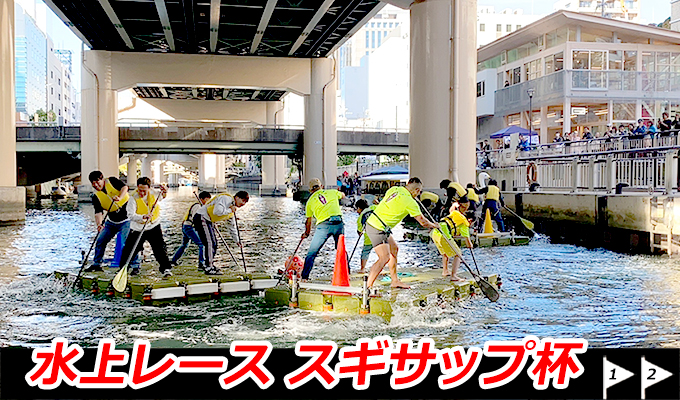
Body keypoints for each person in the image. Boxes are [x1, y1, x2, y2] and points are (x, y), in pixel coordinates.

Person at [365, 177, 439, 289]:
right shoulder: (410, 202)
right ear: (417, 191)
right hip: (377, 227)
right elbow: (423, 222)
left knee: (394, 249)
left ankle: (395, 281)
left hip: (380, 224)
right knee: (384, 257)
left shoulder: (394, 189)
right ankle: (367, 287)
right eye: (419, 192)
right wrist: (434, 225)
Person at [119, 177, 171, 277]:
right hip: (138, 228)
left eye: (144, 191)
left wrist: (165, 191)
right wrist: (143, 217)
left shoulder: (154, 193)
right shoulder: (133, 198)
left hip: (153, 226)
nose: (142, 193)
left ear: (149, 188)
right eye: (140, 190)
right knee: (130, 249)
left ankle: (166, 269)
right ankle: (123, 270)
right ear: (137, 188)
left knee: (159, 248)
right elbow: (130, 215)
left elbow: (162, 196)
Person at [193, 191, 250, 275]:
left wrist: (237, 240)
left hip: (208, 220)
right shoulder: (226, 198)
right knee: (209, 243)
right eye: (243, 200)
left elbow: (232, 227)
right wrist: (230, 210)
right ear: (237, 197)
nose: (243, 203)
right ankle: (208, 267)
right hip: (201, 217)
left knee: (215, 243)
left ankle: (210, 264)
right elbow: (217, 211)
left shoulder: (232, 210)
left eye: (245, 202)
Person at [86, 171, 132, 272]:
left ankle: (134, 265)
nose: (96, 185)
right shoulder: (95, 196)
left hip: (127, 219)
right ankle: (97, 264)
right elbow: (98, 212)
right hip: (111, 222)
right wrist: (99, 225)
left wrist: (119, 197)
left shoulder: (112, 181)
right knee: (101, 240)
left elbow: (125, 188)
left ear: (102, 179)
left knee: (126, 241)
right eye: (93, 183)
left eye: (98, 182)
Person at [301, 178, 345, 280]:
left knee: (312, 253)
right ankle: (347, 274)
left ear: (310, 190)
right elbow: (343, 195)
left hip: (324, 226)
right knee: (341, 250)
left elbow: (308, 221)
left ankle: (304, 278)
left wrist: (306, 233)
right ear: (321, 186)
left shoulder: (310, 201)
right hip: (338, 223)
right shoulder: (332, 192)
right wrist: (339, 194)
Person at [170, 191, 211, 269]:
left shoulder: (198, 206)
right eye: (207, 200)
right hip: (189, 227)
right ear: (202, 199)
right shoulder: (198, 206)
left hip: (186, 226)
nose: (208, 202)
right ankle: (201, 263)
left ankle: (173, 260)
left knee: (184, 245)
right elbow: (196, 219)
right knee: (201, 244)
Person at [439, 199, 473, 281]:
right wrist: (471, 245)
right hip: (444, 233)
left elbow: (452, 209)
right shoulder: (465, 223)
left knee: (446, 252)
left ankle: (445, 271)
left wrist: (455, 205)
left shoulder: (455, 213)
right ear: (470, 220)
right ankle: (454, 276)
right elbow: (468, 242)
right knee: (458, 254)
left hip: (436, 231)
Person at [355, 199, 376, 274]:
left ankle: (362, 269)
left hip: (369, 238)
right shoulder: (374, 207)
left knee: (365, 252)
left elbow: (360, 231)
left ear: (359, 208)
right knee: (383, 253)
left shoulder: (360, 217)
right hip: (381, 234)